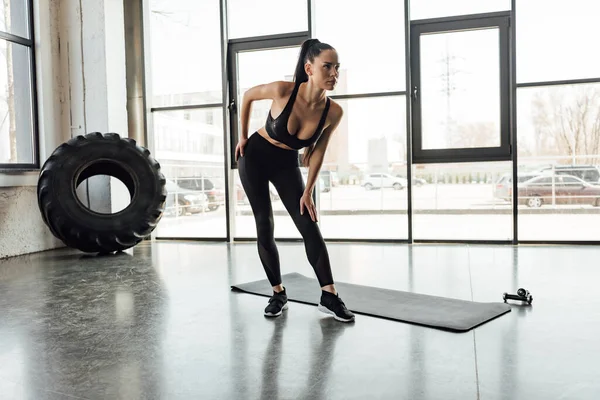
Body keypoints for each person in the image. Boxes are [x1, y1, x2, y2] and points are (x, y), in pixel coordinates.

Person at [235, 39, 355, 323]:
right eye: (327, 66)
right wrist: (241, 136)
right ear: (309, 68)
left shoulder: (333, 112)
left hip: (286, 164)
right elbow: (248, 96)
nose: (334, 73)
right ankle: (278, 293)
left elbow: (319, 151)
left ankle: (329, 296)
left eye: (337, 68)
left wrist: (309, 190)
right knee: (264, 224)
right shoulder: (283, 91)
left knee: (309, 225)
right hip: (255, 157)